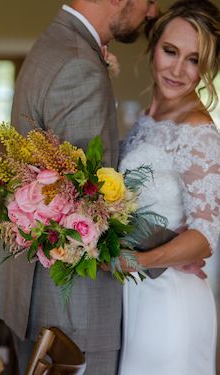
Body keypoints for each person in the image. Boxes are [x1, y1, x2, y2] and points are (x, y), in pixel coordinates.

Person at [0, 1, 157, 374]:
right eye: (149, 0)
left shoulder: (56, 43)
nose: (151, 12)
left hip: (41, 296)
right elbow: (88, 204)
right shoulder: (79, 63)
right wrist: (172, 251)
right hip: (71, 311)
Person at [117, 1, 220, 374]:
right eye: (170, 51)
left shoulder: (197, 129)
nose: (177, 70)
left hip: (171, 304)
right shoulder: (149, 117)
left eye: (193, 59)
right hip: (138, 294)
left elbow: (206, 235)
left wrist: (138, 261)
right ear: (154, 45)